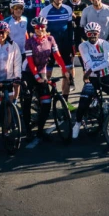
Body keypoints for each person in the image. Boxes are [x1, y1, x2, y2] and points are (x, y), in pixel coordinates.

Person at [23, 17, 70, 149]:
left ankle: (40, 130)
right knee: (26, 99)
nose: (41, 29)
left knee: (46, 102)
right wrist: (36, 77)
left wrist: (65, 70)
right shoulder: (29, 42)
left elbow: (58, 56)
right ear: (34, 29)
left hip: (42, 71)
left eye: (43, 27)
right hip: (28, 72)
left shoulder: (50, 39)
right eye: (38, 28)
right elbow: (30, 61)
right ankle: (27, 130)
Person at [73, 22, 109, 139]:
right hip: (92, 79)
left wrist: (90, 70)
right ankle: (77, 123)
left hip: (105, 77)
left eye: (95, 33)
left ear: (98, 33)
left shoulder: (105, 43)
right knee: (83, 102)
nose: (92, 36)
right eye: (90, 33)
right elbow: (88, 62)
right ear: (86, 34)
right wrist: (92, 69)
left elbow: (108, 62)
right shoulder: (83, 45)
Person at [42, 0, 75, 104]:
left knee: (66, 74)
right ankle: (45, 97)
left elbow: (70, 28)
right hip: (49, 47)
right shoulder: (45, 11)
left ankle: (65, 101)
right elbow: (41, 30)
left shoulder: (68, 9)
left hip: (65, 46)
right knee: (48, 74)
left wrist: (72, 46)